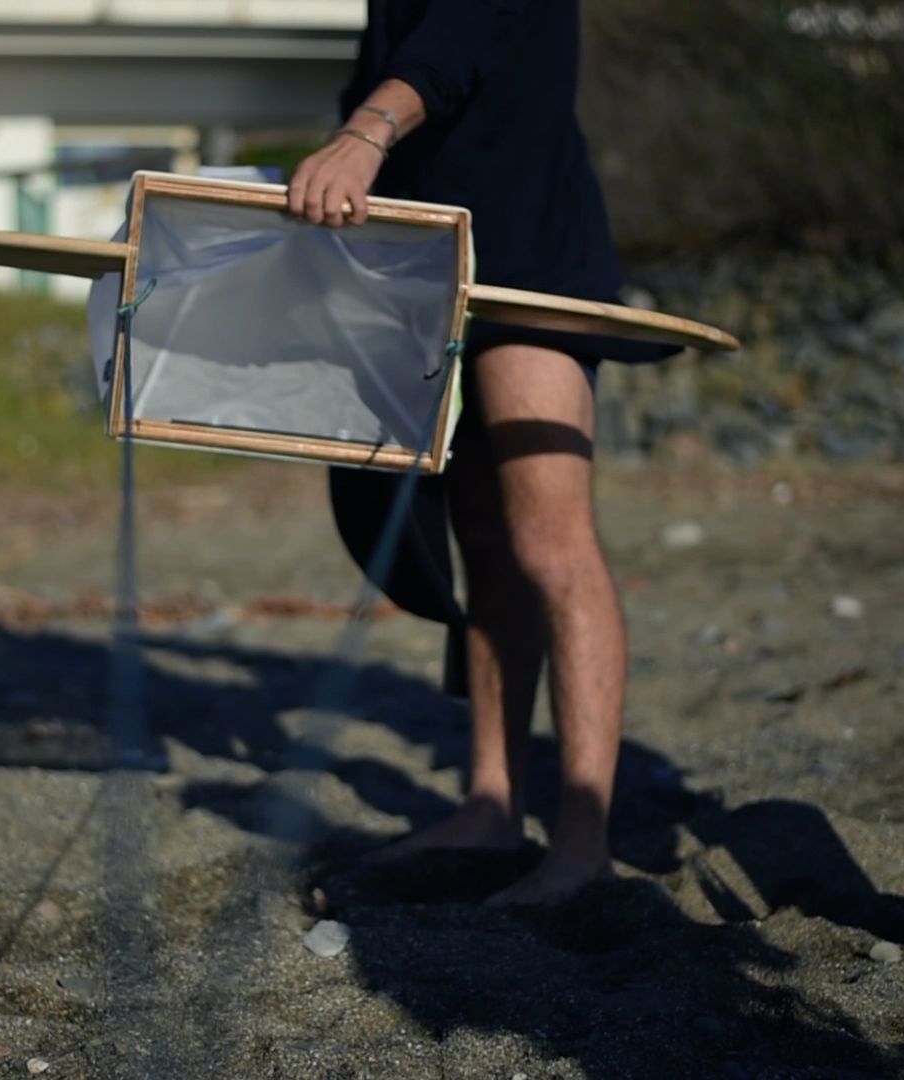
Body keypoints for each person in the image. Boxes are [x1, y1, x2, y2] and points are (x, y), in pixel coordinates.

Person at [288, 0, 675, 906]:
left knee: (551, 541)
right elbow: (392, 50)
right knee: (484, 540)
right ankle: (491, 806)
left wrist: (365, 133)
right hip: (428, 252)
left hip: (527, 250)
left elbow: (461, 37)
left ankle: (582, 847)